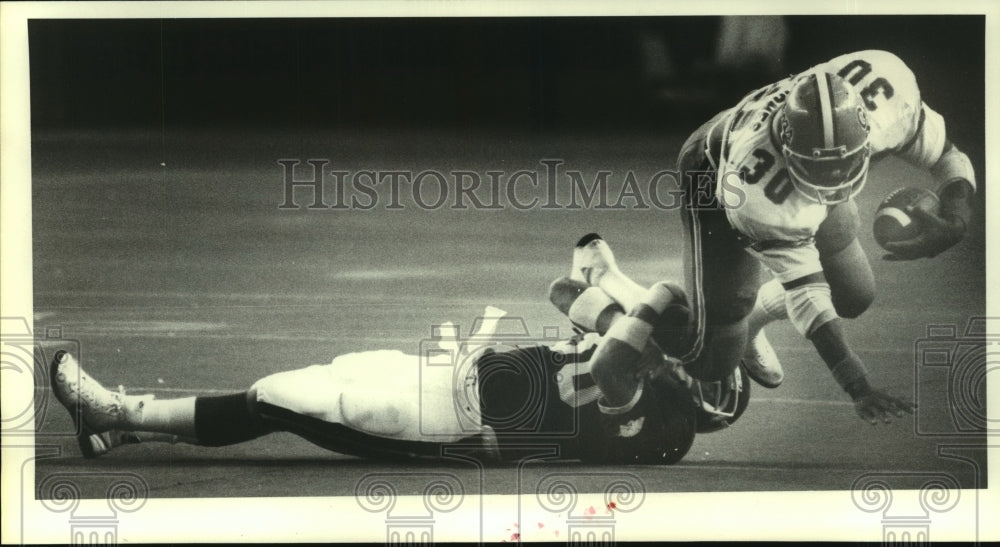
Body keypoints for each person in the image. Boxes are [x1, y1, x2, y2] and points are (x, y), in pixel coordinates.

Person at [49, 269, 747, 465]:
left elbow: (615, 362)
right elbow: (569, 287)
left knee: (277, 396)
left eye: (703, 366)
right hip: (453, 375)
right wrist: (627, 293)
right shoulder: (651, 375)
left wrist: (653, 303)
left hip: (453, 423)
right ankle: (125, 430)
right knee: (311, 378)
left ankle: (119, 410)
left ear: (701, 400)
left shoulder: (654, 416)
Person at [647, 50, 972, 422]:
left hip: (790, 175)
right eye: (821, 170)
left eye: (843, 165)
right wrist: (857, 385)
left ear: (865, 130)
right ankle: (623, 307)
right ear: (789, 148)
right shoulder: (755, 194)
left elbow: (946, 156)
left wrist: (958, 219)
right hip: (716, 171)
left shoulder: (886, 94)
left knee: (853, 295)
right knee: (713, 361)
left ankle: (753, 319)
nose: (833, 186)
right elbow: (807, 296)